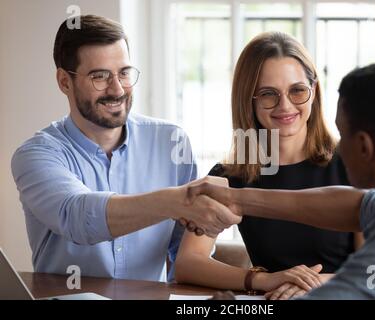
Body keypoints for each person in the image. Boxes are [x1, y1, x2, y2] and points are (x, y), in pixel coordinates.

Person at [187, 62, 375, 299]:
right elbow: (354, 205)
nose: (338, 145)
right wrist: (236, 199)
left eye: (342, 132)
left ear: (363, 147)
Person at [10, 15, 240, 282]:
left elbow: (183, 257)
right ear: (64, 81)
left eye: (124, 73)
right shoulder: (36, 155)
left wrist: (255, 281)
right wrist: (176, 201)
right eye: (100, 76)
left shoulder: (171, 142)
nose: (117, 89)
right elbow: (77, 217)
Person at [175, 32, 363, 299]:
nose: (285, 106)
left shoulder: (354, 163)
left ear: (314, 92)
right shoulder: (229, 177)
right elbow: (187, 264)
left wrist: (314, 283)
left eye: (297, 90)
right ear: (248, 99)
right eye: (267, 94)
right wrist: (263, 279)